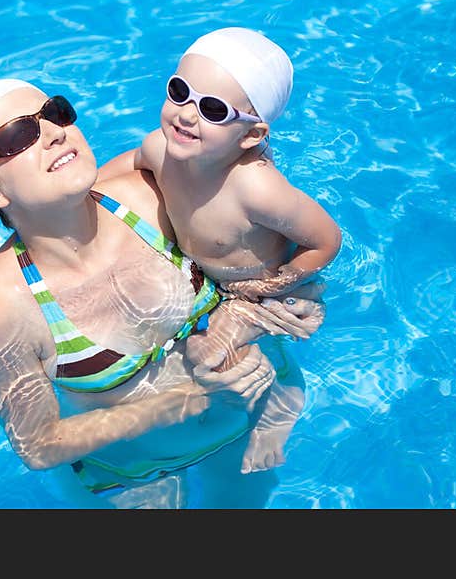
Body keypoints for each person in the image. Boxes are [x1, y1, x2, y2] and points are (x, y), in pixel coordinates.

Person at [0, 77, 325, 507]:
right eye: (18, 136)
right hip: (141, 474)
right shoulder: (0, 310)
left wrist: (250, 318)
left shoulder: (155, 195)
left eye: (55, 112)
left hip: (257, 417)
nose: (54, 132)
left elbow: (284, 270)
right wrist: (187, 399)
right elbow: (39, 444)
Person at [98, 27, 343, 473]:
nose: (187, 115)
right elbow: (124, 166)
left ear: (251, 136)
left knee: (207, 354)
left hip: (260, 290)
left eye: (212, 109)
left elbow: (326, 240)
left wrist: (273, 285)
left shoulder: (255, 188)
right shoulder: (161, 148)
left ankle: (281, 400)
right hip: (209, 282)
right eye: (179, 92)